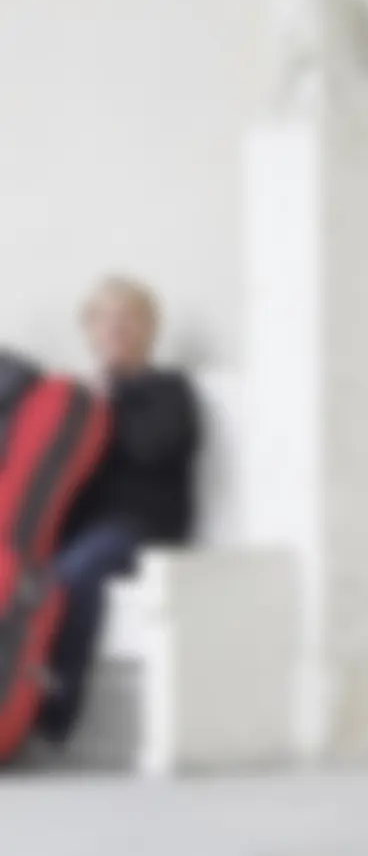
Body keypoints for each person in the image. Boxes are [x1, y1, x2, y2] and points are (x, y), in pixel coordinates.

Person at [36, 277, 201, 743]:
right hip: (83, 533)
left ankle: (55, 712)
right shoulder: (76, 397)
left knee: (72, 572)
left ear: (151, 330)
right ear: (88, 330)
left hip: (142, 530)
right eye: (104, 318)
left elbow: (154, 447)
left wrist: (113, 398)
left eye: (129, 318)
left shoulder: (169, 389)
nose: (116, 328)